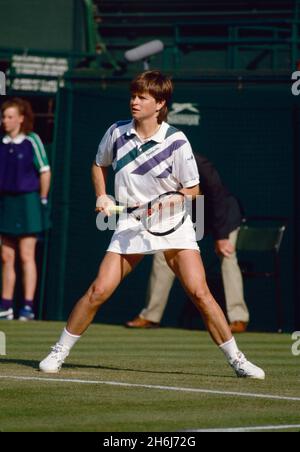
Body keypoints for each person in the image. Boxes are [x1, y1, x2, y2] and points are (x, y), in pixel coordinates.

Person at [39, 70, 264, 379]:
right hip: (131, 224)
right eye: (133, 95)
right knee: (98, 291)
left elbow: (193, 190)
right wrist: (102, 195)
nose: (134, 101)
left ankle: (238, 360)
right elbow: (98, 164)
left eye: (142, 97)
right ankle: (58, 352)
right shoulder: (116, 133)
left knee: (200, 292)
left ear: (159, 104)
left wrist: (165, 203)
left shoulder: (176, 140)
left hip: (173, 226)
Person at [126, 153, 250, 333]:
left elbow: (218, 197)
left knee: (227, 256)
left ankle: (239, 318)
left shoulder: (199, 163)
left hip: (222, 215)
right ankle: (150, 316)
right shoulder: (157, 168)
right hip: (190, 215)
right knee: (163, 255)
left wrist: (221, 237)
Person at [0, 98, 51, 320]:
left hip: (28, 201)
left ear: (21, 118)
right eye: (3, 117)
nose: (5, 121)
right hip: (5, 203)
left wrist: (42, 198)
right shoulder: (1, 143)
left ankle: (28, 307)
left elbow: (45, 171)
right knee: (5, 256)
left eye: (10, 116)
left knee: (26, 255)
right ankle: (6, 305)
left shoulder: (32, 141)